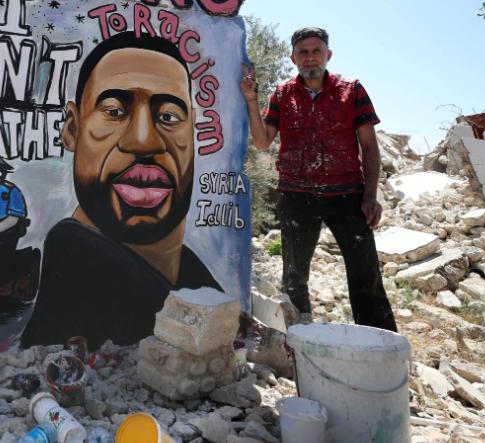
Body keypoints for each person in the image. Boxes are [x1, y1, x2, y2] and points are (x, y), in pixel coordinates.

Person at [20, 32, 219, 348]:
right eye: (114, 111)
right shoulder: (76, 254)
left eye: (168, 117)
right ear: (73, 129)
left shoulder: (192, 277)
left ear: (191, 134)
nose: (143, 141)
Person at [243, 26, 397, 332]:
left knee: (365, 274)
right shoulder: (282, 94)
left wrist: (370, 195)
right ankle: (300, 339)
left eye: (316, 51)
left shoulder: (351, 90)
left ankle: (381, 342)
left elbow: (369, 147)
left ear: (328, 54)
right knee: (294, 276)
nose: (310, 58)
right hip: (296, 195)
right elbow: (262, 141)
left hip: (347, 195)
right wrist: (250, 100)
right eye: (303, 52)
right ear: (293, 57)